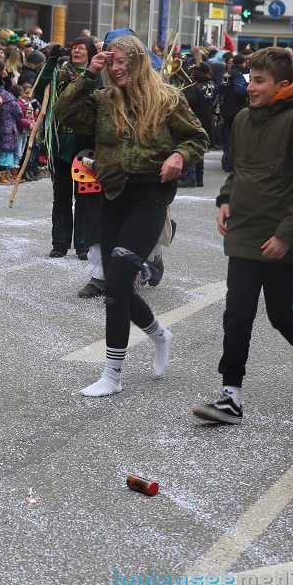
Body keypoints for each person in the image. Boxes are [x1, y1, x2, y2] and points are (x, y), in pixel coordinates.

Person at [53, 34, 208, 397]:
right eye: (112, 62)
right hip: (113, 195)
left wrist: (180, 156)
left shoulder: (168, 98)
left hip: (150, 197)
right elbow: (64, 113)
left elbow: (198, 137)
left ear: (138, 63)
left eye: (124, 61)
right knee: (118, 284)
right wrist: (89, 74)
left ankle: (112, 375)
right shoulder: (104, 99)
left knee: (118, 279)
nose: (117, 68)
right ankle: (160, 335)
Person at [193, 47, 293, 425]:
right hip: (245, 231)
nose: (250, 87)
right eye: (251, 79)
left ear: (282, 84)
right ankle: (231, 396)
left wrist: (287, 234)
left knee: (281, 314)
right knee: (237, 314)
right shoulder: (245, 118)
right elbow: (240, 170)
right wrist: (226, 199)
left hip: (282, 238)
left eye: (260, 81)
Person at [35, 38, 97, 259]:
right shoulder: (59, 75)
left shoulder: (98, 78)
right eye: (74, 47)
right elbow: (39, 89)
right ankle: (59, 243)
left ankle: (83, 244)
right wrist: (50, 62)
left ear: (91, 54)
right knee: (61, 197)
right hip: (60, 144)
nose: (77, 50)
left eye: (82, 48)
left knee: (85, 197)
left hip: (86, 147)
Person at [181, 61, 218, 187]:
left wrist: (182, 92)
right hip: (208, 120)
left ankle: (191, 177)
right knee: (201, 149)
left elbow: (187, 102)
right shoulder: (212, 84)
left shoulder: (195, 87)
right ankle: (199, 178)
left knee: (192, 147)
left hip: (196, 120)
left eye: (194, 71)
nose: (192, 73)